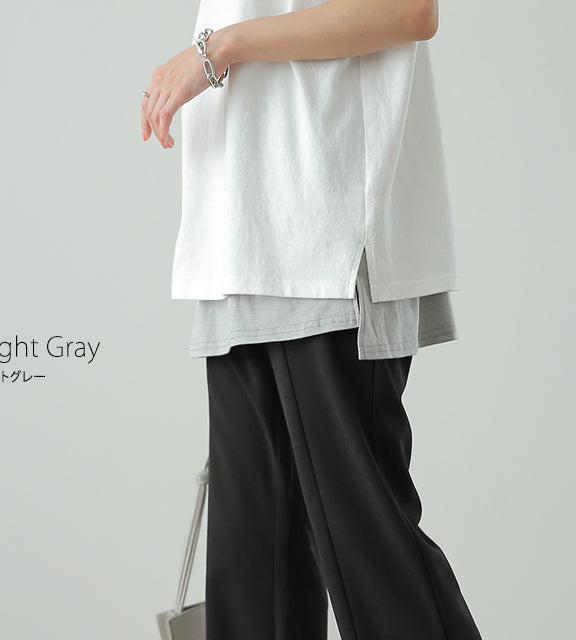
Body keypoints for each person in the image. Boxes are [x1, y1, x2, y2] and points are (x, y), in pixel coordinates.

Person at [141, 1, 484, 639]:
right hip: (240, 243)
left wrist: (217, 50)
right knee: (253, 585)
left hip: (326, 242)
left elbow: (408, 10)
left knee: (373, 565)